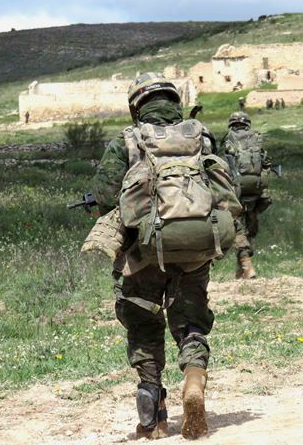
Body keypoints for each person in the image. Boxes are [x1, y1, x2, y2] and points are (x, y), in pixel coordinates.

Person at [91, 72, 241, 440]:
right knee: (191, 320)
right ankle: (194, 379)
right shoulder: (202, 136)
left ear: (136, 106)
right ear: (175, 102)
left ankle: (153, 420)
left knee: (143, 325)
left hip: (142, 255)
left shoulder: (127, 140)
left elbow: (105, 197)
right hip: (195, 249)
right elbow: (226, 185)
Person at [220, 111, 273, 279]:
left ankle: (246, 263)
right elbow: (266, 162)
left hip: (236, 188)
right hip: (257, 187)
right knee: (250, 223)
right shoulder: (256, 138)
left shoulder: (228, 139)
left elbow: (221, 163)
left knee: (237, 227)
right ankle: (241, 270)